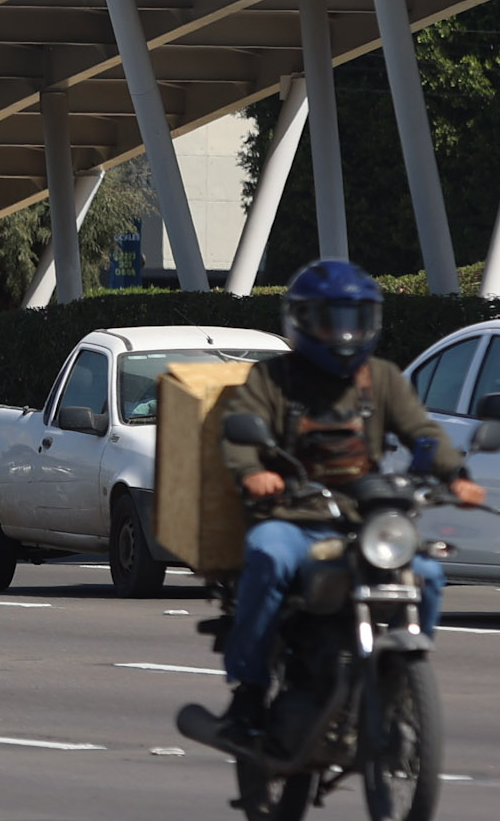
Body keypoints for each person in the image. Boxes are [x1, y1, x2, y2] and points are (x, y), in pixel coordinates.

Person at [197, 258, 483, 746]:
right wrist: (255, 473)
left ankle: (400, 677)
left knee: (429, 574)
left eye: (355, 319)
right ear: (303, 321)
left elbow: (423, 431)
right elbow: (240, 431)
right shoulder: (272, 380)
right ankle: (248, 694)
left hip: (362, 521)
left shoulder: (383, 378)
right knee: (266, 556)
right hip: (291, 517)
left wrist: (454, 474)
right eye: (331, 319)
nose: (344, 333)